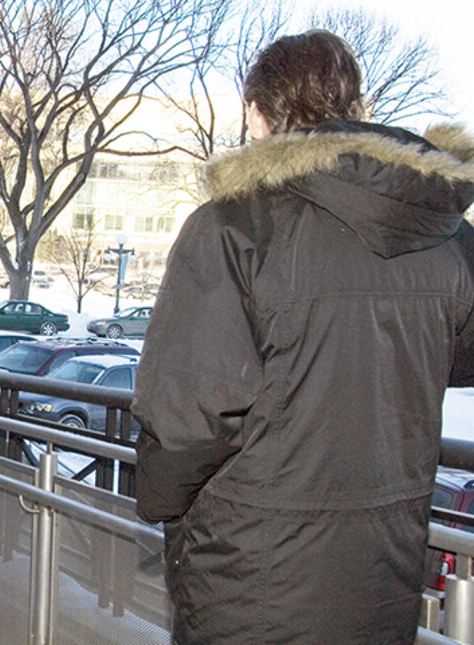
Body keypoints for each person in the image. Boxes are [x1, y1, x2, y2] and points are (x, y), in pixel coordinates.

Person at [132, 30, 474, 644]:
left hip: (250, 571)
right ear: (357, 109)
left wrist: (163, 503)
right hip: (382, 567)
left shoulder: (236, 225)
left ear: (257, 116)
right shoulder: (446, 233)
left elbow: (188, 412)